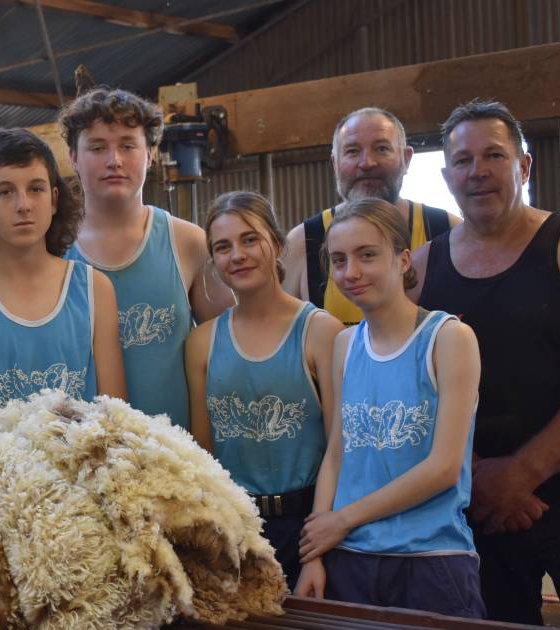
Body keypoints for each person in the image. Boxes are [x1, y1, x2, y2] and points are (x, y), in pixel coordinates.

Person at [411, 99, 560, 629]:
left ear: (524, 166)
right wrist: (478, 475)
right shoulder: (420, 267)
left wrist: (521, 474)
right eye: (462, 160)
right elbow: (415, 387)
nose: (477, 171)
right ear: (445, 175)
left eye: (494, 156)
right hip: (472, 502)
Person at [295, 198, 484, 619]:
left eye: (367, 255)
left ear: (402, 260)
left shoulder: (449, 338)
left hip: (430, 560)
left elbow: (444, 468)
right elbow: (338, 454)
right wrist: (314, 554)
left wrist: (341, 521)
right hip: (349, 561)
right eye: (339, 260)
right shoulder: (345, 345)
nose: (351, 273)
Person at [186, 191, 341, 587]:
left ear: (276, 242)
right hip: (237, 532)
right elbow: (204, 457)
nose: (237, 254)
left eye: (249, 239)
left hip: (308, 526)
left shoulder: (321, 331)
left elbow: (340, 451)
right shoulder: (202, 342)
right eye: (222, 247)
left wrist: (317, 553)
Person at [61, 87, 233, 430]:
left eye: (128, 145)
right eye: (97, 147)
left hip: (175, 455)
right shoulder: (52, 249)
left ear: (151, 153)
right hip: (81, 458)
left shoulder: (187, 242)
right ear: (73, 157)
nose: (114, 160)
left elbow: (231, 347)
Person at [0, 127, 125, 427]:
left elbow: (114, 420)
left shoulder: (94, 288)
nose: (23, 204)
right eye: (6, 191)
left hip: (79, 471)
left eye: (36, 188)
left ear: (54, 199)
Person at [283, 107, 460, 326]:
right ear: (335, 163)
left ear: (406, 159)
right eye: (352, 151)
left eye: (381, 148)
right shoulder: (303, 241)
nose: (367, 163)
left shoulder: (447, 230)